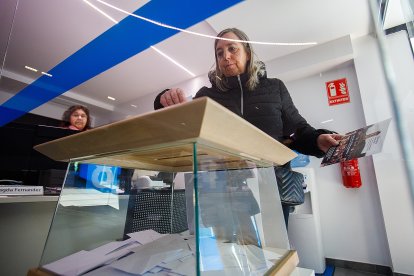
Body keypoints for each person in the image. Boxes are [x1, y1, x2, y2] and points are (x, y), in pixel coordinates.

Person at [154, 28, 342, 229]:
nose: (225, 56)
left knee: (273, 253)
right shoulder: (207, 95)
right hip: (221, 192)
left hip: (271, 188)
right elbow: (180, 117)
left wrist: (317, 140)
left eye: (232, 49)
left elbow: (297, 130)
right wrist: (164, 98)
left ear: (248, 53)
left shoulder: (274, 88)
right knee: (227, 254)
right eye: (219, 52)